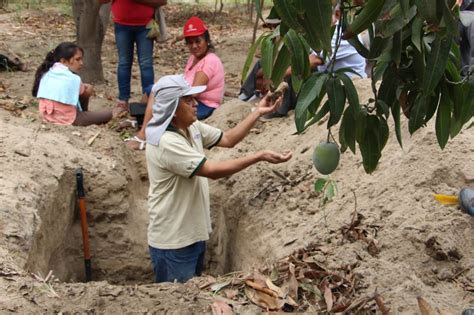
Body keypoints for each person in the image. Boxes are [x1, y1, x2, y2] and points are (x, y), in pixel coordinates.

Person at [145, 74, 292, 283]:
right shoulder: (166, 142)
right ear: (172, 109)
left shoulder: (190, 127)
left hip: (192, 236)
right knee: (178, 303)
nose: (195, 104)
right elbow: (211, 170)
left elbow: (228, 139)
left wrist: (257, 112)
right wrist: (258, 156)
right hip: (174, 242)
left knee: (191, 298)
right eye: (188, 100)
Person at [239, 6, 366, 120]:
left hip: (345, 83)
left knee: (294, 70)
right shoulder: (320, 33)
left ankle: (277, 109)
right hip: (326, 75)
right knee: (266, 63)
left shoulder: (339, 34)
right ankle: (247, 94)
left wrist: (274, 76)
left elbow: (313, 61)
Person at [125, 16, 225, 150]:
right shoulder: (194, 58)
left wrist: (167, 93)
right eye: (190, 42)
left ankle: (144, 134)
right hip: (191, 98)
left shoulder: (209, 62)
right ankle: (143, 121)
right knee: (152, 89)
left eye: (198, 41)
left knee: (159, 94)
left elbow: (194, 92)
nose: (194, 46)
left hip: (203, 105)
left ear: (207, 40)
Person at [32, 42, 123, 126]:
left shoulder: (47, 72)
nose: (81, 63)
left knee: (82, 90)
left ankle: (83, 114)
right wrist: (88, 89)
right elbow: (84, 93)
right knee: (109, 113)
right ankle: (84, 114)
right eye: (77, 59)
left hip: (46, 115)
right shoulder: (73, 79)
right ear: (63, 61)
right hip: (66, 118)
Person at [99, 0, 167, 109]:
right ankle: (123, 100)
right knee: (124, 63)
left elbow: (162, 1)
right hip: (122, 25)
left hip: (145, 25)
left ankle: (148, 99)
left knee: (146, 64)